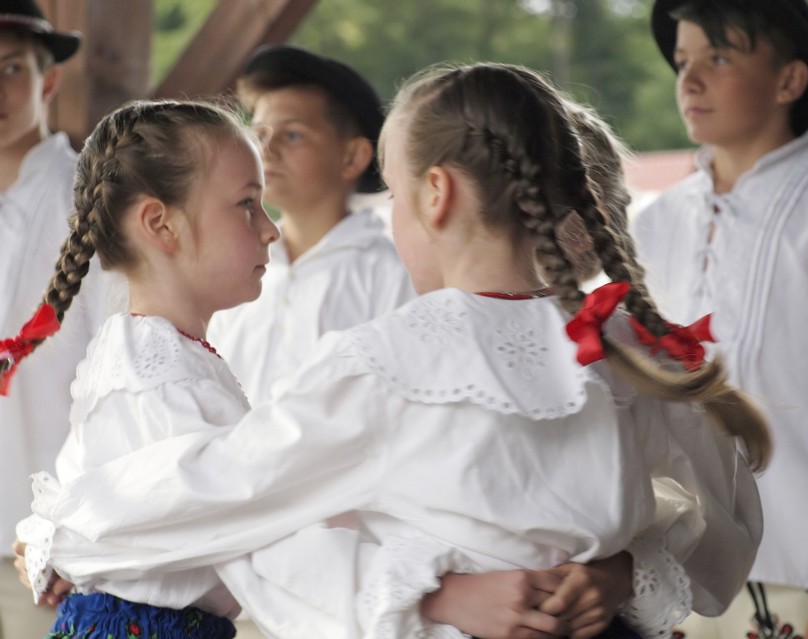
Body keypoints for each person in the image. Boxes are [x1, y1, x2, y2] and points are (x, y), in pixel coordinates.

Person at [15, 64, 769, 638]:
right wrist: (621, 569)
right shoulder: (627, 347)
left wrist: (65, 524)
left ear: (435, 196)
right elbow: (722, 542)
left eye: (396, 199)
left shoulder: (388, 362)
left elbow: (228, 492)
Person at [631, 1, 808, 638]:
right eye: (682, 61)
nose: (689, 81)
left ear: (790, 81)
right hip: (679, 571)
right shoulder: (654, 223)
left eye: (718, 58)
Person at [0, 2, 120, 637]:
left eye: (9, 69)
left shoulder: (91, 204)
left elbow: (125, 375)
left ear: (47, 81)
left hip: (43, 548)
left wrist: (85, 530)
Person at [207, 45, 414, 406]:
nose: (266, 151)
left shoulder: (392, 274)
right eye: (259, 134)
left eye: (293, 135)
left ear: (352, 156)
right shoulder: (232, 264)